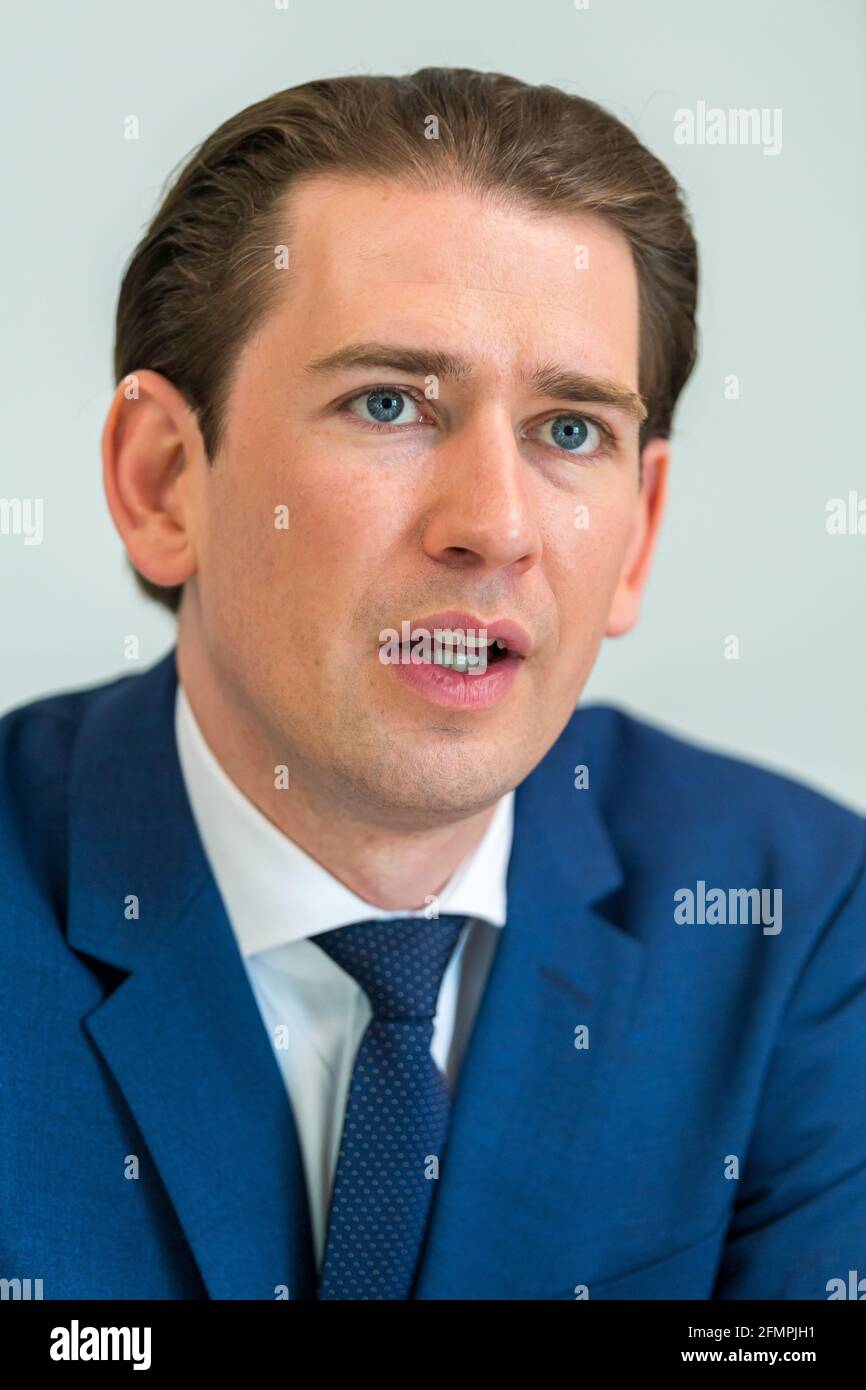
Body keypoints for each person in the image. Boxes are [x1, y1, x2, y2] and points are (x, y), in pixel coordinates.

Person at [2, 67, 864, 1302]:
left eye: (569, 430)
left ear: (641, 526)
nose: (494, 526)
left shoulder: (799, 918)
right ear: (161, 482)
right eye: (391, 402)